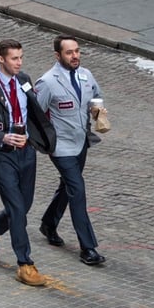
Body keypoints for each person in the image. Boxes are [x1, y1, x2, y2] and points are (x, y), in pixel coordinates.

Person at [0, 39, 57, 286]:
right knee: (17, 208)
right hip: (2, 155)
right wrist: (3, 137)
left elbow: (34, 110)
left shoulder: (24, 80)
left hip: (26, 152)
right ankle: (25, 264)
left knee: (24, 205)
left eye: (20, 57)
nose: (19, 63)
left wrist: (37, 137)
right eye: (14, 58)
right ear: (1, 59)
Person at [35, 36, 106, 266]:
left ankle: (48, 223)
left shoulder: (86, 75)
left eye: (77, 51)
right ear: (58, 56)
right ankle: (88, 248)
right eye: (69, 53)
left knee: (67, 187)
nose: (75, 56)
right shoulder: (48, 82)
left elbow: (96, 94)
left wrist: (97, 109)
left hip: (81, 142)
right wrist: (45, 143)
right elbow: (35, 115)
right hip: (61, 147)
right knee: (77, 189)